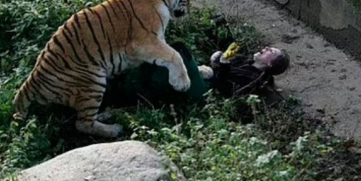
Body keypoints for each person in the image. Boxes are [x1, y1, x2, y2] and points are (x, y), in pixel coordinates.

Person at [102, 43, 290, 109]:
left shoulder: (256, 79)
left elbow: (227, 89)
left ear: (269, 64)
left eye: (269, 51)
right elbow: (219, 65)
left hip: (207, 93)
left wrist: (221, 68)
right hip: (205, 79)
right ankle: (130, 86)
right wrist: (218, 59)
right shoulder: (246, 60)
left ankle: (130, 88)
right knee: (167, 61)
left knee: (179, 50)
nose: (264, 49)